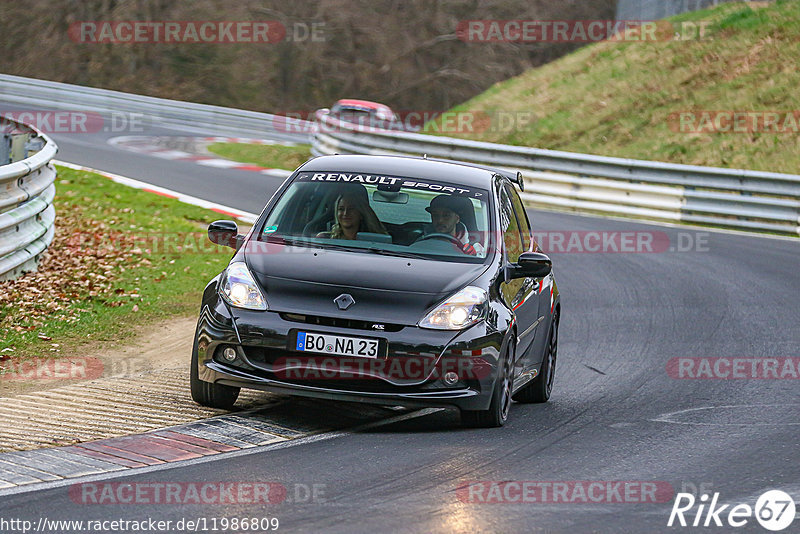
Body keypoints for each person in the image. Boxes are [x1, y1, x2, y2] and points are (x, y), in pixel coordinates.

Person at [317, 191, 387, 240]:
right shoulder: (324, 239)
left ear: (361, 214)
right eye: (341, 209)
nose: (345, 213)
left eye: (351, 209)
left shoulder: (376, 242)